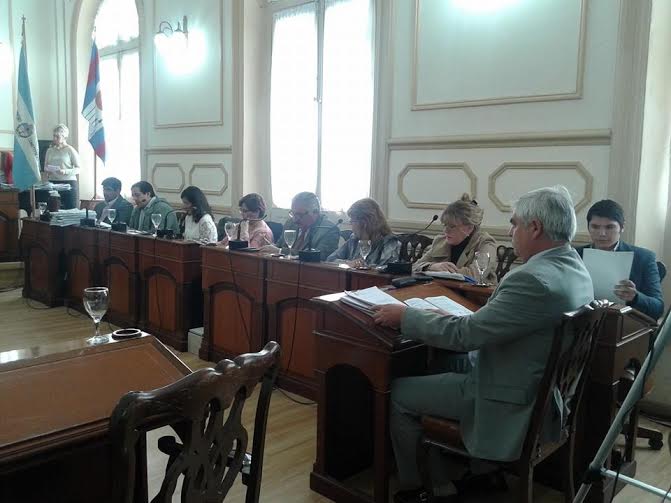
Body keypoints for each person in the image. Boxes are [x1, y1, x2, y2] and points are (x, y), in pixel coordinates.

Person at [372, 186, 594, 503]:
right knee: (444, 362)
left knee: (398, 392)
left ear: (535, 227)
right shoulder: (575, 267)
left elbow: (467, 335)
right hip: (539, 387)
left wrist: (405, 317)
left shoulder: (531, 278)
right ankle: (479, 469)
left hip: (512, 398)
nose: (510, 232)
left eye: (514, 224)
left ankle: (429, 487)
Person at [577, 199, 664, 319]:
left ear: (622, 227)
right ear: (588, 227)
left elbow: (658, 308)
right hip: (583, 319)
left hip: (624, 323)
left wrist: (635, 297)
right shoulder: (576, 255)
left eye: (609, 227)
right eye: (595, 227)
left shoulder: (644, 258)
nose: (602, 233)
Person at [413, 194, 497, 284]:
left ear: (469, 227)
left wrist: (444, 272)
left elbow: (475, 275)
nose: (446, 230)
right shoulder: (440, 241)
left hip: (475, 292)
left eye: (452, 226)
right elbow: (415, 267)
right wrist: (433, 267)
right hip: (442, 291)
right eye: (445, 225)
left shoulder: (485, 243)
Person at [261, 192, 339, 260]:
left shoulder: (329, 229)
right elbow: (279, 246)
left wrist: (280, 251)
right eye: (293, 214)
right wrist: (269, 247)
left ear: (316, 212)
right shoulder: (290, 223)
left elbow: (320, 256)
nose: (295, 220)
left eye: (300, 215)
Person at [326, 198, 399, 267]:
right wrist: (348, 263)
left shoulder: (389, 242)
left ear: (365, 222)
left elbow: (386, 269)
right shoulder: (353, 240)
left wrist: (363, 266)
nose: (351, 225)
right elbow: (330, 259)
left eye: (352, 221)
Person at [43, 124, 81, 204]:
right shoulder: (49, 150)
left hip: (68, 183)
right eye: (54, 136)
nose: (54, 139)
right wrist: (48, 170)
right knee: (52, 208)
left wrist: (65, 171)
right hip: (53, 182)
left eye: (57, 137)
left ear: (64, 137)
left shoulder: (70, 150)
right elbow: (45, 167)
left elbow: (78, 169)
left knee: (69, 208)